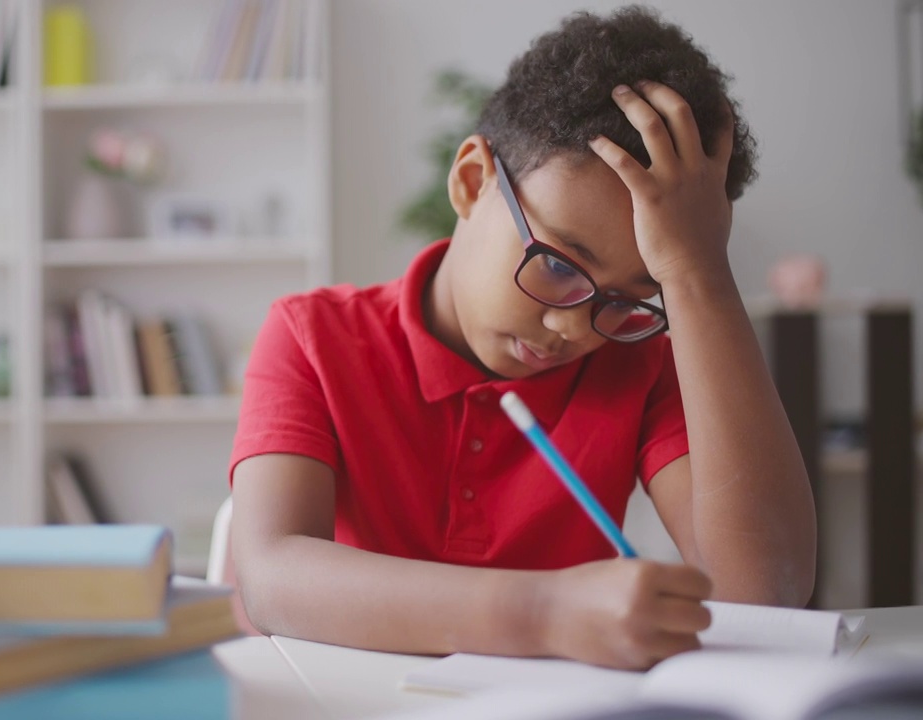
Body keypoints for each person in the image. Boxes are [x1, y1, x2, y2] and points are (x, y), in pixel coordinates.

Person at [227, 5, 817, 670]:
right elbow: (272, 578)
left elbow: (766, 591)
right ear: (472, 181)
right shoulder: (313, 337)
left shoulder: (642, 363)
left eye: (628, 299)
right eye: (560, 265)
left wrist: (698, 273)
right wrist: (545, 613)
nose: (575, 326)